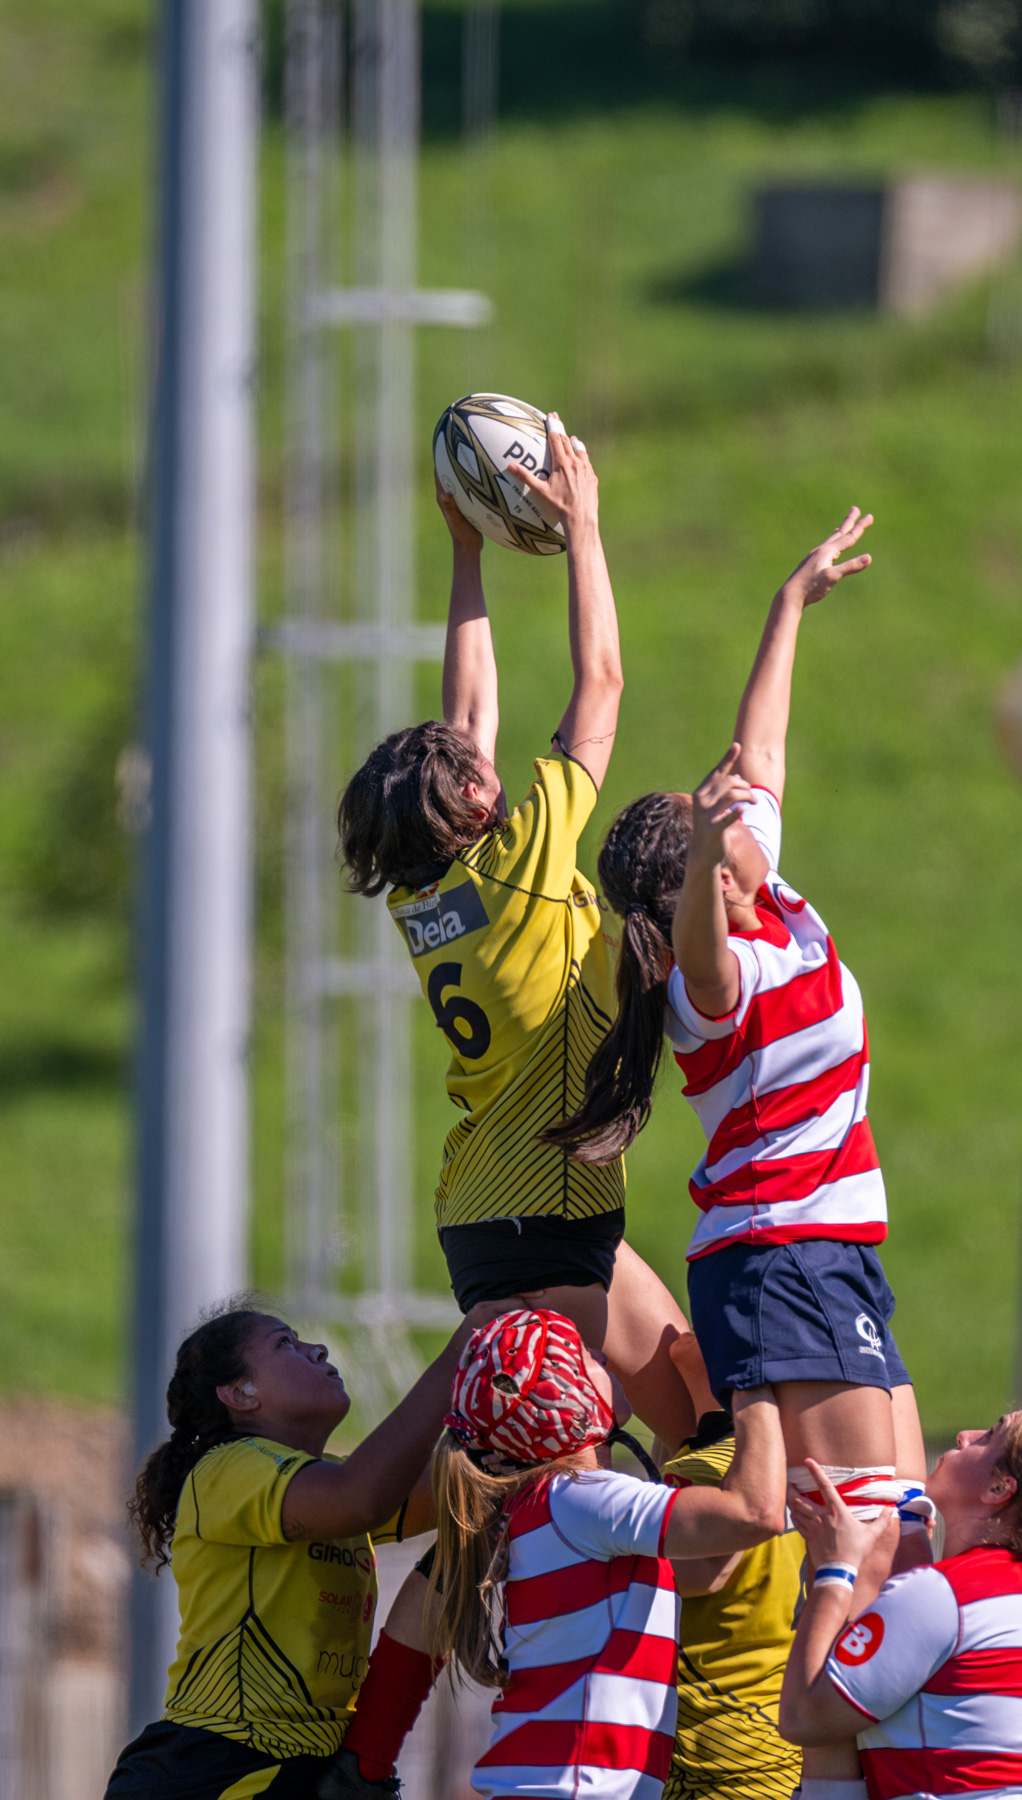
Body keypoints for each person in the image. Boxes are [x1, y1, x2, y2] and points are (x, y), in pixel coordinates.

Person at [547, 507, 932, 1785]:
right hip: (782, 1259)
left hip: (837, 1253)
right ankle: (822, 1747)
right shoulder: (716, 985)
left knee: (911, 1522)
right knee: (862, 1536)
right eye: (723, 829)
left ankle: (890, 1744)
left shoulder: (772, 890)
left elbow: (758, 745)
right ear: (704, 879)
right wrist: (706, 838)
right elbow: (705, 917)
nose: (752, 810)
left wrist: (790, 601)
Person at [337, 416, 699, 1450]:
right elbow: (602, 685)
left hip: (498, 1204)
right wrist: (585, 529)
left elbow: (470, 713)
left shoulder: (427, 893)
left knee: (691, 1396)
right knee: (562, 1468)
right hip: (543, 1205)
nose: (479, 752)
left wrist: (468, 555)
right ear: (475, 803)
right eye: (469, 765)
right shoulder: (529, 860)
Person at [322, 1307, 788, 1800]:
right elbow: (752, 1513)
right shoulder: (583, 1501)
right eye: (585, 1355)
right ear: (571, 1400)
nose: (603, 1352)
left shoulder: (544, 1508)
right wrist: (751, 1387)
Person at [105, 1297, 507, 1799]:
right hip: (211, 1767)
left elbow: (457, 1491)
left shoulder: (325, 1487)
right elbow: (361, 1496)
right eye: (285, 1344)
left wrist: (527, 1432)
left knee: (476, 1521)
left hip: (299, 1767)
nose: (316, 1349)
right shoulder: (226, 1470)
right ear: (241, 1393)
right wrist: (462, 1351)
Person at [779, 1405, 1022, 1800]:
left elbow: (802, 1717)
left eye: (989, 1436)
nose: (964, 1435)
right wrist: (910, 1526)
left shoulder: (947, 1596)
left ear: (999, 1489)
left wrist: (836, 1566)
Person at [660, 1362, 806, 1800]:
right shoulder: (806, 1463)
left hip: (721, 1762)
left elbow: (685, 1574)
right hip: (785, 1749)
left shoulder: (702, 1477)